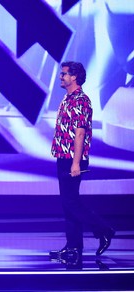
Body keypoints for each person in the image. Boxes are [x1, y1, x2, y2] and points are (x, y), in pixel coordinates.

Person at [50, 61, 115, 261]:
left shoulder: (81, 100)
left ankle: (104, 230)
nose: (61, 77)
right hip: (63, 156)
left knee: (71, 201)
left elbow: (80, 134)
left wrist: (76, 163)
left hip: (73, 158)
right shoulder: (67, 98)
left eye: (64, 74)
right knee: (67, 203)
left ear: (74, 77)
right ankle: (74, 247)